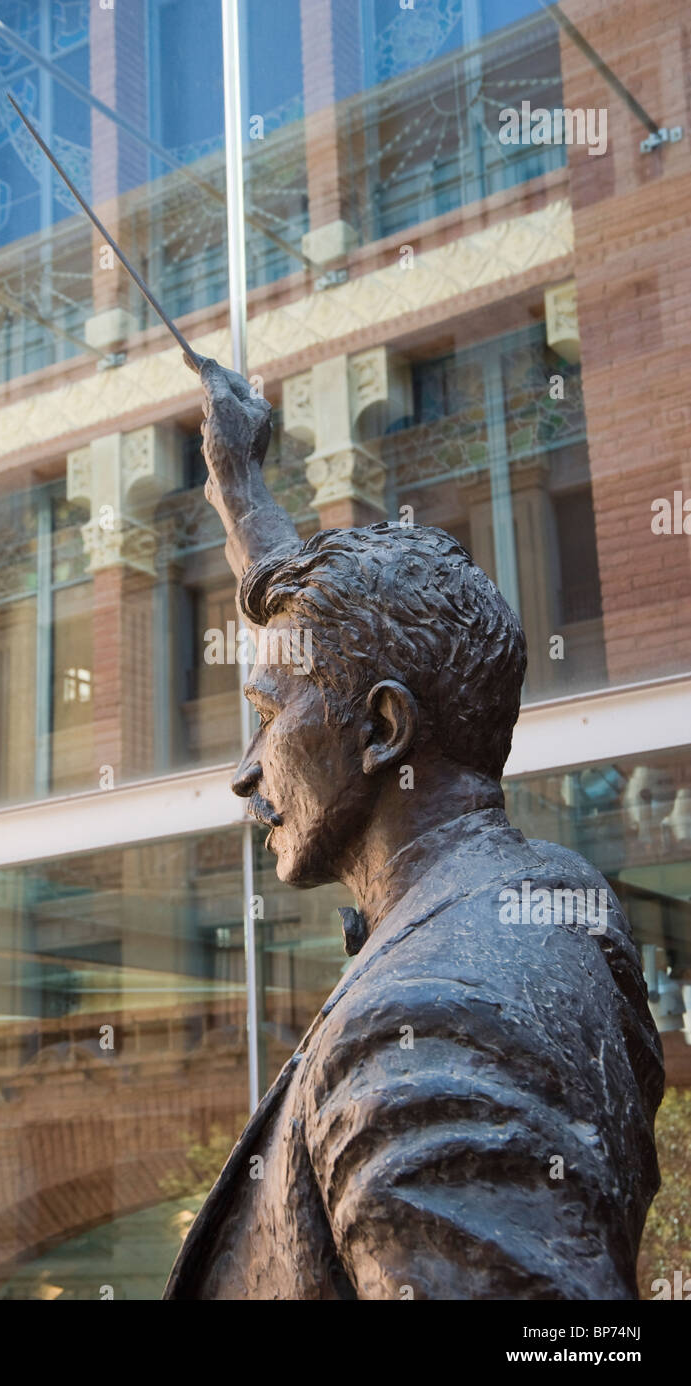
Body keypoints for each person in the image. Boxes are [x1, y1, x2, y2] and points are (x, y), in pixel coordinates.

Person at [163, 357, 664, 1300]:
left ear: (383, 729)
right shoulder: (549, 897)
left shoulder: (427, 1024)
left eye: (267, 722)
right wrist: (239, 491)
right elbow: (335, 645)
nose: (243, 774)